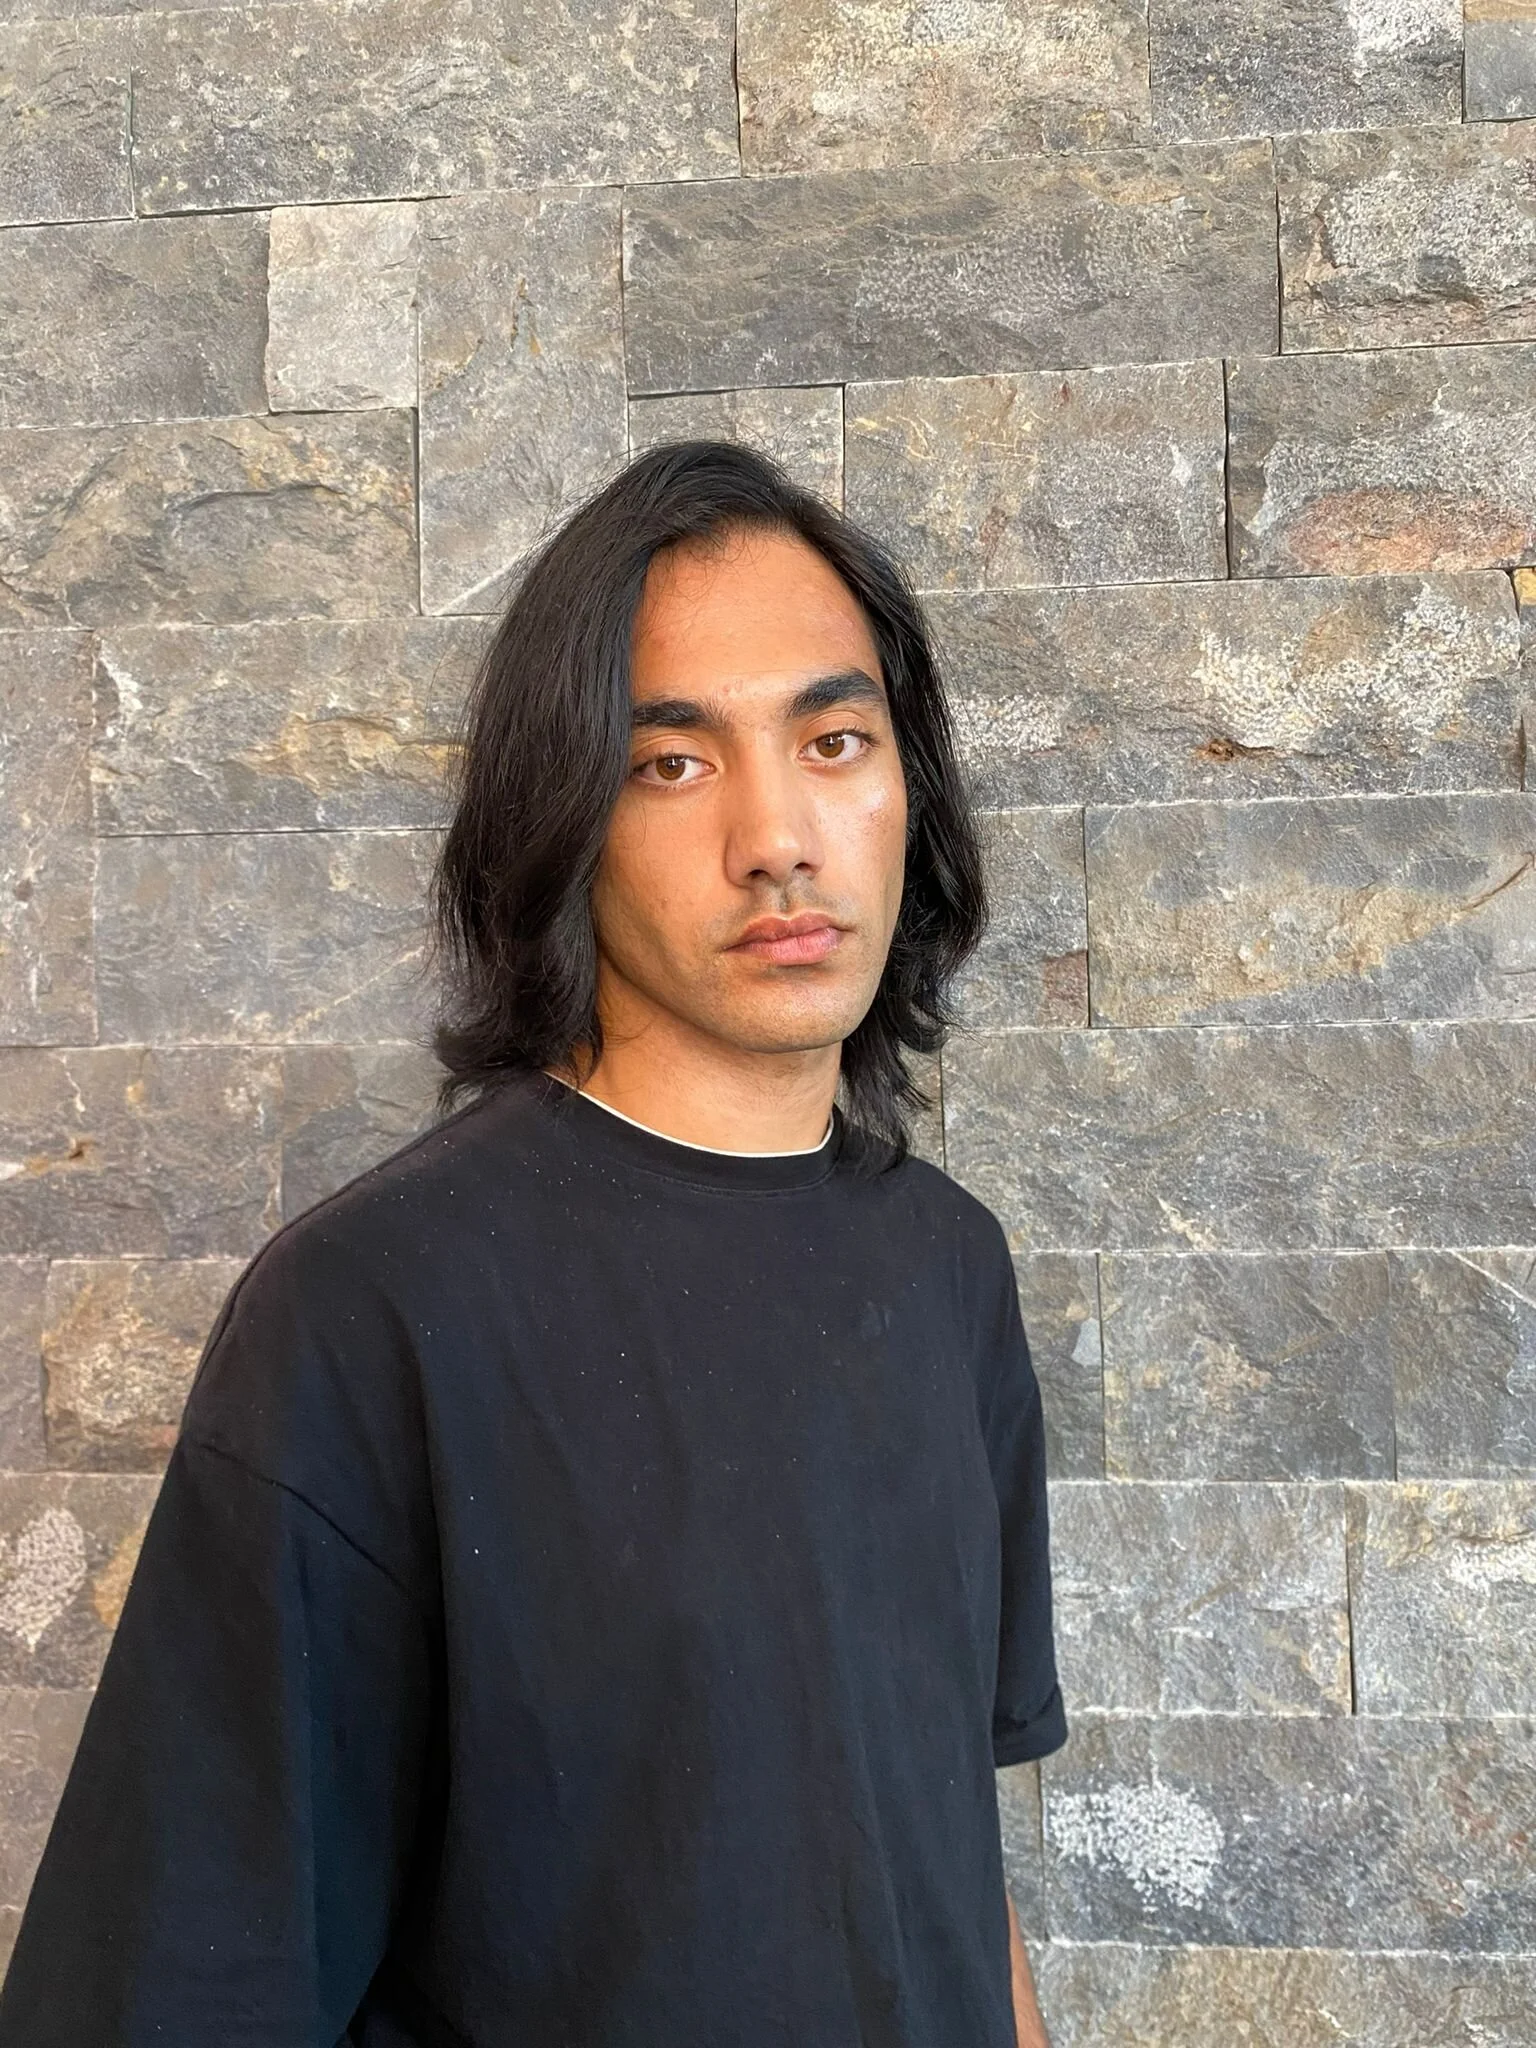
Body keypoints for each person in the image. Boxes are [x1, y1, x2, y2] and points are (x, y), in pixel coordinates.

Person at [0, 440, 1068, 2046]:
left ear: (908, 783)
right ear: (564, 813)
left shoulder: (950, 1271)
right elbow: (176, 1986)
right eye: (673, 764)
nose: (779, 836)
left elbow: (943, 1856)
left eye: (834, 741)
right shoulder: (371, 1314)